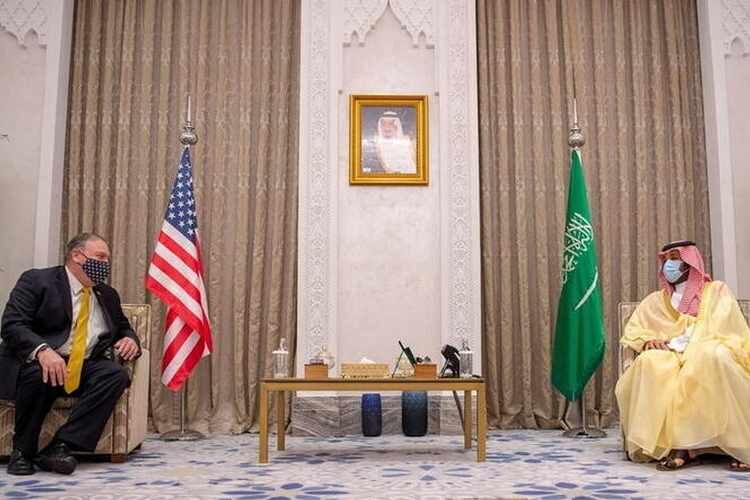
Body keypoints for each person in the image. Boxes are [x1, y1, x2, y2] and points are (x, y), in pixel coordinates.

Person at [0, 233, 141, 475]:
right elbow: (12, 324)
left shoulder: (107, 294)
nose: (106, 263)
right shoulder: (38, 281)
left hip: (84, 365)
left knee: (114, 374)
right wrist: (42, 350)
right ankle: (22, 452)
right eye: (100, 257)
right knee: (40, 372)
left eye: (107, 259)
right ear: (77, 256)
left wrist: (130, 339)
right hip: (42, 363)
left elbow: (122, 327)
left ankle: (61, 446)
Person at [615, 240, 750, 471]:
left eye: (675, 259)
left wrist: (692, 343)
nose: (669, 264)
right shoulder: (655, 301)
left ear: (690, 263)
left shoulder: (716, 291)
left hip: (707, 346)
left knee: (712, 357)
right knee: (650, 361)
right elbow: (636, 330)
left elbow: (726, 325)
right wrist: (648, 341)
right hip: (671, 353)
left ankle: (737, 444)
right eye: (666, 260)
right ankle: (680, 447)